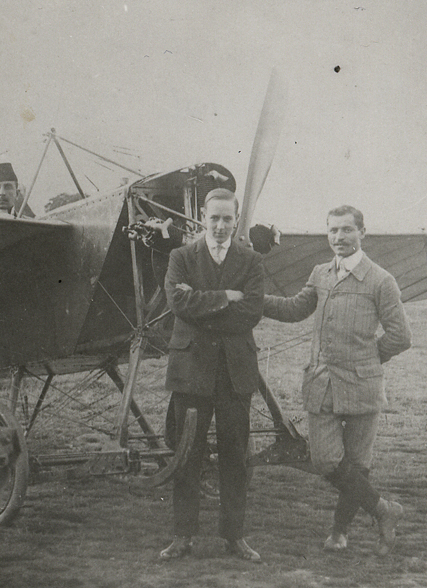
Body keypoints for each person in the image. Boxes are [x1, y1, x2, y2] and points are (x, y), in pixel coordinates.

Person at [262, 205, 411, 555]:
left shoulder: (381, 280)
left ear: (362, 233)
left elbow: (400, 336)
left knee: (358, 465)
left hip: (363, 386)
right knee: (325, 460)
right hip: (322, 383)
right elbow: (296, 309)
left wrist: (371, 358)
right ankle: (384, 510)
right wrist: (253, 301)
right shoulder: (321, 273)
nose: (339, 238)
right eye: (333, 231)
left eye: (346, 230)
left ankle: (339, 533)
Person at [160, 188, 265, 562]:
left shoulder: (251, 260)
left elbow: (252, 311)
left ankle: (233, 537)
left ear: (237, 221)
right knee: (187, 454)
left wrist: (204, 300)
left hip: (235, 373)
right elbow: (178, 302)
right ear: (203, 218)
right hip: (192, 372)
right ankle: (182, 536)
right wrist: (225, 296)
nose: (220, 226)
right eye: (214, 218)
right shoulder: (182, 256)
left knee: (235, 457)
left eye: (227, 219)